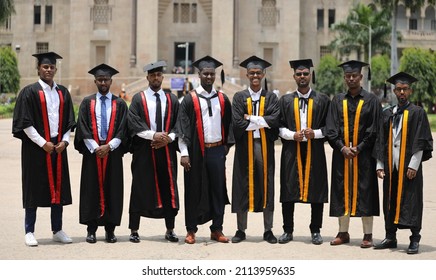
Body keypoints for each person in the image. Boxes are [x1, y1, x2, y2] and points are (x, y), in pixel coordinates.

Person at [12, 52, 76, 246]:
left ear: (55, 69)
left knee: (58, 188)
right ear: (38, 68)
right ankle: (29, 231)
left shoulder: (63, 92)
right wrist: (43, 143)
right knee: (33, 188)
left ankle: (57, 229)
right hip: (36, 149)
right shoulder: (29, 92)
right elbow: (25, 123)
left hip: (58, 147)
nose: (48, 70)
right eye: (45, 67)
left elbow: (68, 121)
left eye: (51, 67)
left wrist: (64, 142)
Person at [374, 72, 433, 254]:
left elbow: (421, 139)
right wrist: (380, 165)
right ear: (393, 91)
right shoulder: (387, 114)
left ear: (410, 91)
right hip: (391, 167)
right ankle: (390, 236)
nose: (401, 92)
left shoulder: (418, 113)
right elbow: (381, 140)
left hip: (409, 168)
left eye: (405, 89)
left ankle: (414, 238)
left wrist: (414, 165)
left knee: (413, 201)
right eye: (398, 89)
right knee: (390, 201)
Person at [177, 55, 233, 244]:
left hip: (216, 151)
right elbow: (182, 127)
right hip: (195, 153)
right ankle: (191, 229)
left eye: (211, 74)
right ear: (199, 74)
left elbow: (229, 125)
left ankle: (217, 229)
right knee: (193, 189)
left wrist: (225, 147)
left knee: (218, 190)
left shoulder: (222, 99)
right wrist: (184, 153)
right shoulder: (189, 100)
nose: (209, 77)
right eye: (205, 74)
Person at [325, 60, 381, 248]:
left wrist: (360, 147)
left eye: (354, 76)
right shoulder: (337, 100)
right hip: (342, 156)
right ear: (344, 78)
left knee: (365, 191)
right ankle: (343, 232)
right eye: (348, 76)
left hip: (364, 156)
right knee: (342, 191)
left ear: (361, 77)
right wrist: (342, 147)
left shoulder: (372, 100)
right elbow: (331, 129)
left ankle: (368, 235)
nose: (351, 78)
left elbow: (374, 129)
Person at [278, 59, 330, 245]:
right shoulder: (285, 100)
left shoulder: (322, 100)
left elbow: (330, 128)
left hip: (314, 151)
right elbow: (279, 127)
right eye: (299, 74)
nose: (302, 76)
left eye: (305, 73)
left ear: (310, 76)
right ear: (294, 76)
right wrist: (293, 136)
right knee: (288, 189)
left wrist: (314, 133)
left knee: (316, 190)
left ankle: (315, 230)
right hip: (292, 151)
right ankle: (287, 230)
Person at [74, 64, 128, 244]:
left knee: (113, 189)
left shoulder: (119, 103)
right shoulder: (87, 102)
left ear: (111, 81)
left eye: (106, 79)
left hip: (112, 154)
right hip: (92, 153)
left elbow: (123, 129)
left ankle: (110, 230)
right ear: (95, 81)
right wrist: (95, 146)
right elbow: (82, 126)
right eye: (100, 79)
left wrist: (110, 146)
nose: (103, 82)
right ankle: (91, 230)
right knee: (91, 190)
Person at [127, 61, 180, 243]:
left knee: (169, 188)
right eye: (152, 75)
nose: (156, 78)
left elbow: (180, 123)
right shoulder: (138, 99)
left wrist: (169, 138)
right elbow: (133, 123)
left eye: (158, 75)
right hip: (144, 150)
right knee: (140, 188)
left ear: (162, 78)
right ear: (147, 78)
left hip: (167, 152)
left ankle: (170, 229)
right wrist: (154, 135)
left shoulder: (171, 99)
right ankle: (134, 230)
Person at [230, 55, 280, 244]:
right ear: (246, 75)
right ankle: (241, 229)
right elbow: (236, 123)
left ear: (264, 73)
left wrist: (250, 118)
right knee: (242, 185)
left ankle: (268, 230)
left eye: (258, 72)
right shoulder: (239, 97)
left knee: (266, 186)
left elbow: (274, 120)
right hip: (244, 148)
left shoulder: (271, 97)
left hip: (265, 147)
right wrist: (262, 122)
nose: (255, 76)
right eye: (252, 73)